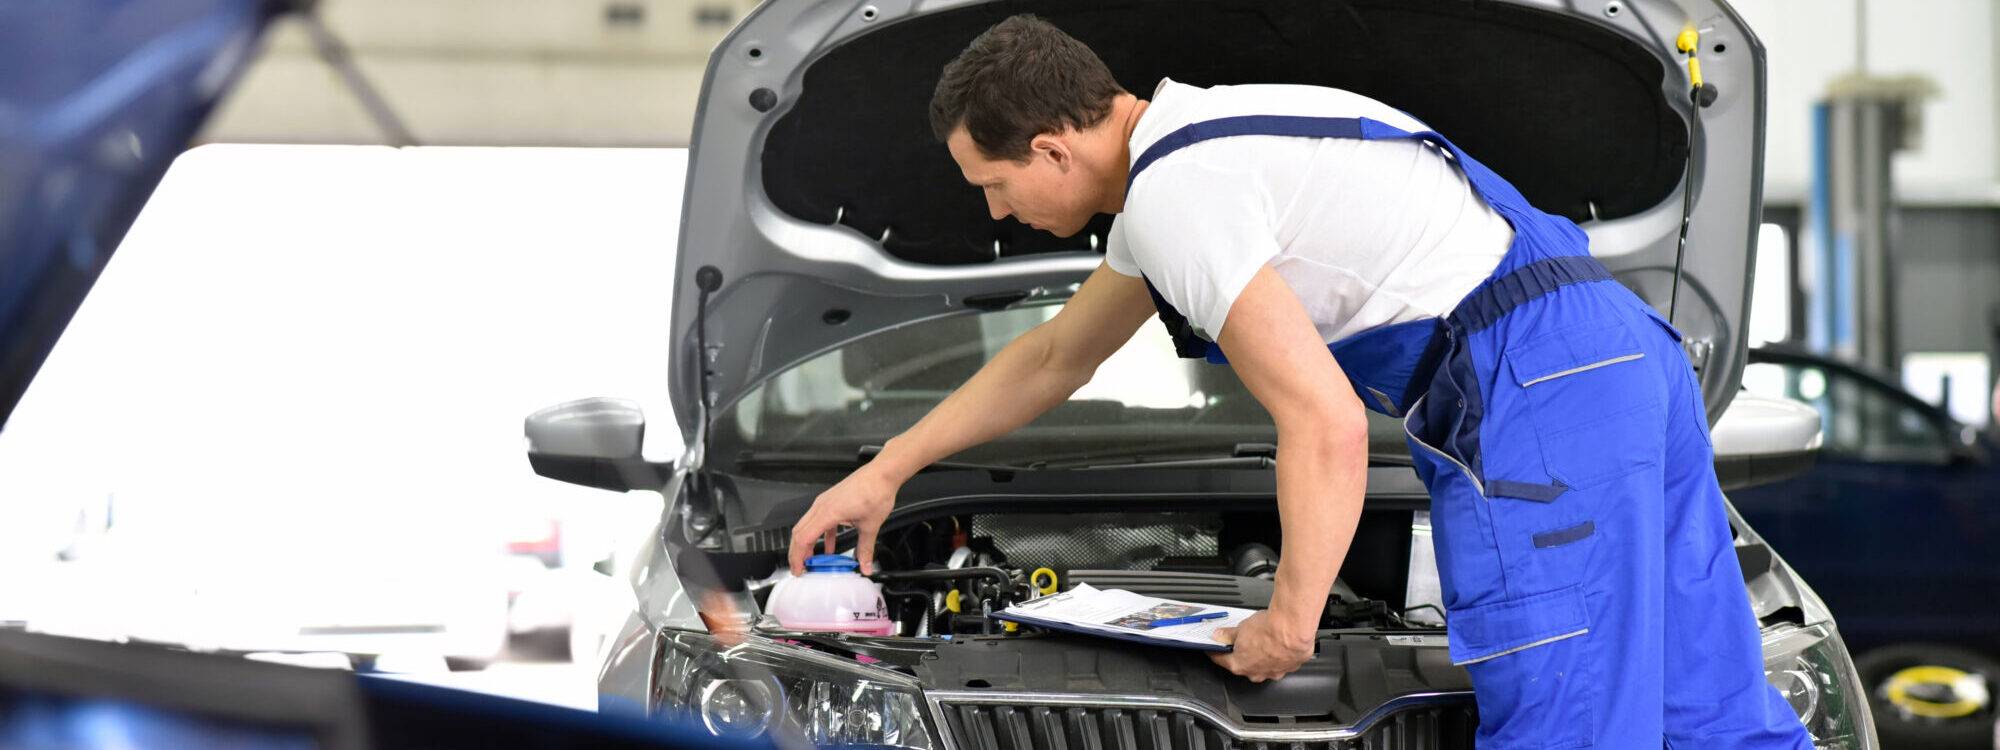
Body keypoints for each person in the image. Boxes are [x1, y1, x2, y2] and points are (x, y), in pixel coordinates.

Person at [787, 14, 1812, 748]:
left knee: (1567, 717)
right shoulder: (1206, 144)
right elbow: (1060, 354)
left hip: (1537, 390)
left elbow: (1319, 418)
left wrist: (1289, 617)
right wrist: (892, 465)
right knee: (1706, 708)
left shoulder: (1176, 194)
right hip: (1621, 355)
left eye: (993, 187)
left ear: (1052, 148)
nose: (998, 216)